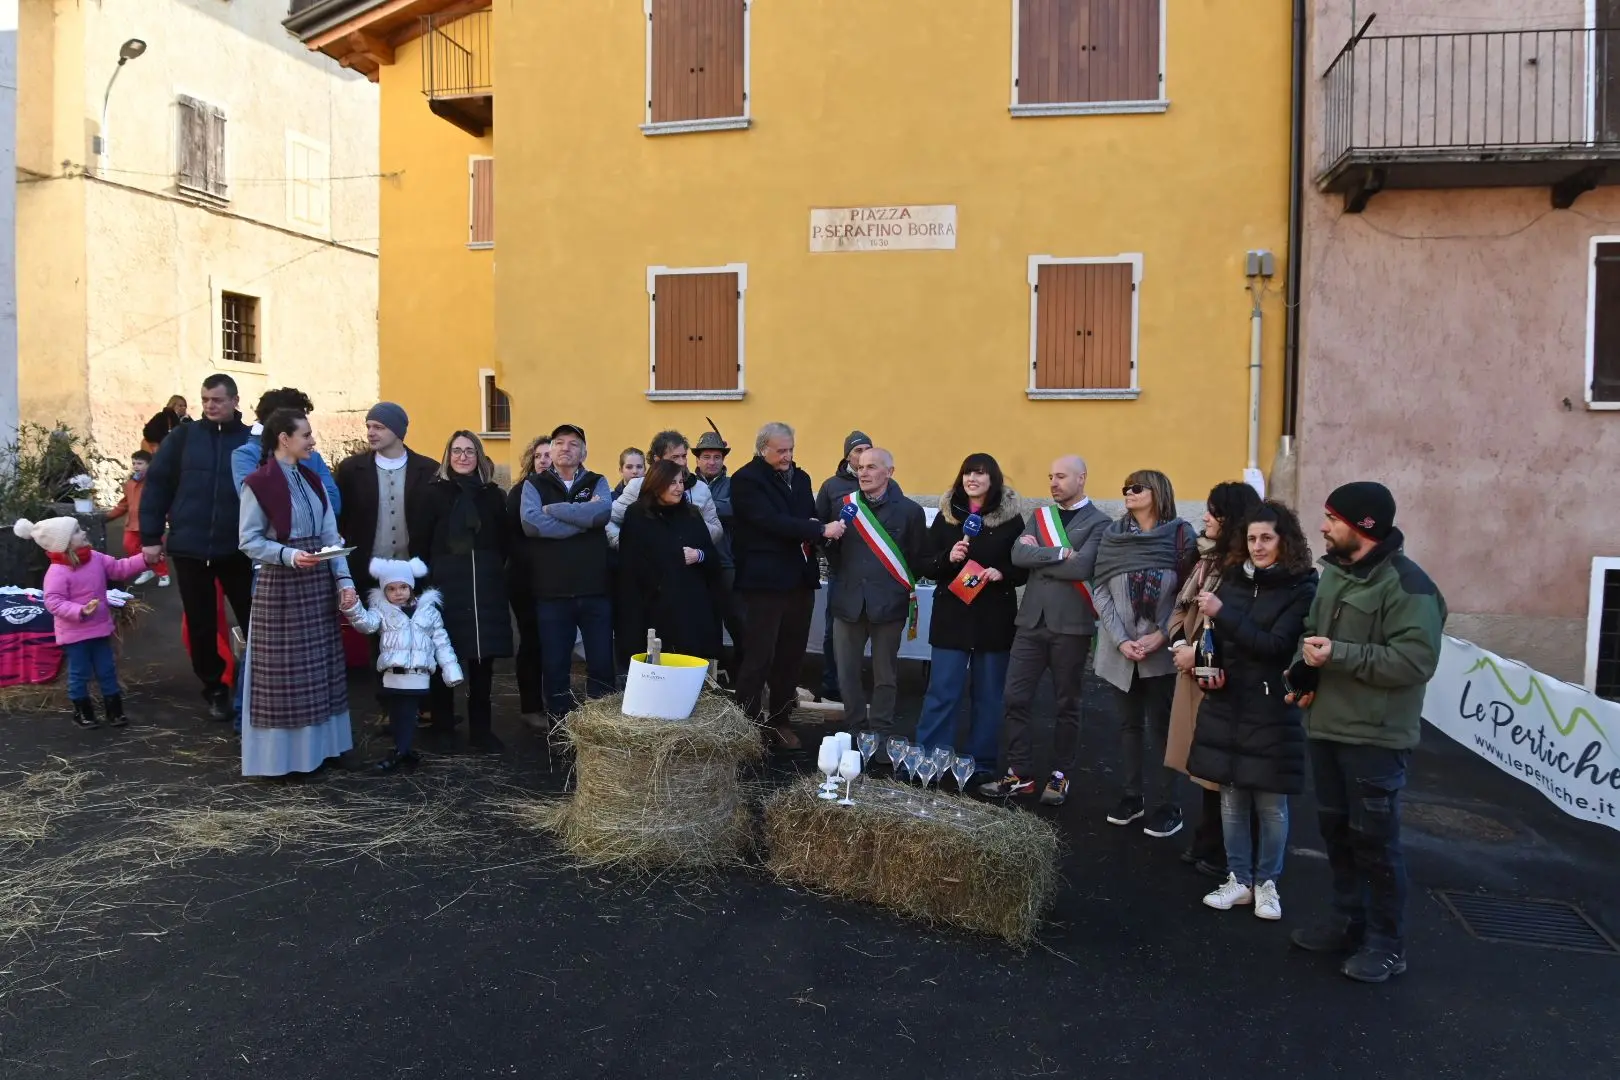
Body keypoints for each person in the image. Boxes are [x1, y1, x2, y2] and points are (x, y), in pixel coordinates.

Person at [1284, 482, 1445, 984]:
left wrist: (1340, 655)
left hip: (1375, 740)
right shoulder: (1335, 574)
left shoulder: (1409, 586)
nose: (1323, 526)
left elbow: (1417, 661)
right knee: (1336, 833)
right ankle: (1347, 920)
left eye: (1332, 518)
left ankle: (1386, 943)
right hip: (1327, 728)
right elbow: (1312, 633)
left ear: (1363, 527)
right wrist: (1300, 673)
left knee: (1375, 842)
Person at [1188, 501, 1317, 922]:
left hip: (1270, 705)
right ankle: (1238, 880)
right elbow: (1217, 641)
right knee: (1230, 797)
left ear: (1285, 542)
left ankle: (1267, 884)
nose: (1258, 547)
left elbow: (1275, 646)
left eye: (1266, 538)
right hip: (1228, 702)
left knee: (1270, 803)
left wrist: (1223, 614)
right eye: (1251, 539)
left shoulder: (1301, 587)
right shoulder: (1232, 578)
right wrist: (1213, 669)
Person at [981, 456, 1109, 803]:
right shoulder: (1039, 516)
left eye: (1061, 476)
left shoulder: (1101, 523)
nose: (1053, 482)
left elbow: (1083, 566)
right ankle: (1020, 773)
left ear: (1082, 478)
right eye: (1050, 476)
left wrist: (1044, 556)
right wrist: (1060, 554)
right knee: (1015, 698)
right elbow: (1018, 556)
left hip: (1071, 625)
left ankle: (1060, 774)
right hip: (1030, 623)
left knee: (1066, 704)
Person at [237, 410, 358, 778]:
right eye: (305, 434)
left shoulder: (312, 480)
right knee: (285, 677)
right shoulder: (258, 484)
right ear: (284, 439)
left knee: (321, 670)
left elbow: (329, 537)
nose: (312, 440)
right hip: (282, 589)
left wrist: (345, 581)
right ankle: (285, 760)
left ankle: (323, 750)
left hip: (316, 584)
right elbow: (249, 541)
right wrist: (288, 555)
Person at [138, 374, 254, 722]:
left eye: (217, 400)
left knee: (255, 619)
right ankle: (215, 688)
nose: (209, 406)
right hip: (191, 547)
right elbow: (157, 485)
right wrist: (150, 537)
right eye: (204, 400)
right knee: (202, 625)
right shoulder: (183, 437)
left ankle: (258, 685)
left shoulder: (252, 441)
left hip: (240, 549)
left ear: (234, 400)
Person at [1166, 482, 1264, 877]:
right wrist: (1177, 641)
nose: (1204, 517)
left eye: (1213, 512)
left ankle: (1226, 848)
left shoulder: (1244, 571)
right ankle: (1209, 837)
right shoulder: (1207, 560)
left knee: (1224, 765)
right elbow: (1181, 607)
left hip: (1218, 673)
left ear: (1231, 518)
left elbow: (1241, 627)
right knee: (1205, 759)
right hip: (1195, 669)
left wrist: (1199, 656)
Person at [1093, 469, 1197, 838]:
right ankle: (1132, 796)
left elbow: (1188, 592)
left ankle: (1170, 804)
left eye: (1136, 488)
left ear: (1157, 492)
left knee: (1165, 728)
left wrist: (1160, 635)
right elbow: (1100, 588)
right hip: (1120, 649)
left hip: (1162, 647)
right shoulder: (1113, 535)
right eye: (1125, 488)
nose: (1128, 493)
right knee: (1128, 725)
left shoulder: (1181, 536)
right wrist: (1121, 639)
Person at [731, 422, 844, 750]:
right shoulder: (746, 480)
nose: (788, 456)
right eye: (781, 450)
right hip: (763, 582)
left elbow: (805, 517)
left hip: (798, 579)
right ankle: (748, 726)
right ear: (762, 448)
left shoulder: (802, 477)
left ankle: (779, 720)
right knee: (758, 656)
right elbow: (768, 522)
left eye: (791, 449)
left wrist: (811, 527)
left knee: (791, 656)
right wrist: (818, 529)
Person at [912, 453, 1025, 772]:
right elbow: (924, 563)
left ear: (994, 479)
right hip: (953, 616)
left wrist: (1002, 572)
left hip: (993, 618)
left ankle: (981, 762)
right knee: (942, 691)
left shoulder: (1011, 519)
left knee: (989, 696)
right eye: (967, 473)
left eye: (980, 473)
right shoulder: (948, 516)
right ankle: (930, 758)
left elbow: (1023, 567)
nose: (971, 479)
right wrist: (948, 557)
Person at [335, 402, 441, 724]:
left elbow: (435, 520)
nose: (371, 432)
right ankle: (387, 706)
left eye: (378, 427)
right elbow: (342, 517)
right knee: (378, 638)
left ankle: (423, 704)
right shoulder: (352, 469)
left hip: (414, 567)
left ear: (398, 430)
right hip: (370, 567)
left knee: (420, 634)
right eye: (369, 426)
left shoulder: (428, 469)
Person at [410, 431, 513, 752]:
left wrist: (493, 568)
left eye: (470, 451)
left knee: (482, 660)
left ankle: (481, 730)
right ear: (447, 455)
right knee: (444, 654)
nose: (463, 456)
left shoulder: (493, 495)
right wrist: (422, 585)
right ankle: (442, 723)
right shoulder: (432, 494)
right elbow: (420, 541)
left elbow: (504, 540)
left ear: (479, 456)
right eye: (457, 450)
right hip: (444, 583)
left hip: (484, 583)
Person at [826, 447, 927, 740]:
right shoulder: (844, 505)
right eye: (860, 467)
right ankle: (855, 727)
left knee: (885, 676)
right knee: (846, 673)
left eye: (871, 467)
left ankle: (880, 731)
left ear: (889, 472)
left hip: (889, 605)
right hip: (848, 602)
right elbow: (830, 551)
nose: (863, 472)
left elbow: (916, 556)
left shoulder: (910, 511)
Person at [518, 423, 614, 722]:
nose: (565, 448)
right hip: (552, 592)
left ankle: (600, 725)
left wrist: (554, 510)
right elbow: (532, 524)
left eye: (573, 443)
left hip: (594, 589)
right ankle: (559, 725)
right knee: (556, 665)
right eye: (559, 442)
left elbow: (600, 515)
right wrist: (580, 516)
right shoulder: (534, 484)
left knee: (600, 663)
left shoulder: (597, 481)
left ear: (583, 451)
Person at [18, 515, 148, 728]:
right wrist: (80, 610)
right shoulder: (57, 572)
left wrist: (144, 559)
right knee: (79, 673)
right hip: (75, 634)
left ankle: (114, 711)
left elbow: (118, 568)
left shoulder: (95, 558)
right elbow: (53, 602)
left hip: (99, 629)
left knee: (107, 669)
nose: (84, 532)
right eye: (77, 531)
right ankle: (82, 712)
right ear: (65, 543)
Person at [343, 557, 464, 773]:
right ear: (384, 591)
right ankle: (403, 750)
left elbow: (442, 642)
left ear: (411, 587)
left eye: (403, 587)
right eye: (391, 589)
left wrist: (451, 670)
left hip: (417, 673)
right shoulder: (382, 612)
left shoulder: (429, 612)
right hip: (392, 674)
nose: (398, 593)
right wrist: (353, 608)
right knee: (397, 712)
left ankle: (400, 750)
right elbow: (366, 625)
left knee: (408, 712)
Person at [616, 459, 724, 659]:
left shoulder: (691, 514)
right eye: (672, 483)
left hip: (690, 609)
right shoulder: (638, 515)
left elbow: (712, 557)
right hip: (652, 609)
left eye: (681, 482)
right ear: (657, 483)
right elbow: (630, 566)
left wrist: (698, 555)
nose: (679, 488)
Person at [813, 430, 871, 702]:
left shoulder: (882, 482)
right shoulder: (831, 486)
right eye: (857, 450)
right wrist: (831, 554)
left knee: (868, 631)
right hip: (842, 571)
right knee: (833, 631)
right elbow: (818, 524)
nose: (862, 456)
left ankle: (855, 684)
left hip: (873, 573)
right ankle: (831, 685)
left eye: (867, 450)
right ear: (847, 455)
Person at [607, 430, 724, 548]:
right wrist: (623, 544)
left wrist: (692, 523)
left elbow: (717, 531)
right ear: (657, 459)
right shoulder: (637, 487)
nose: (682, 462)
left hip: (690, 562)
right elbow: (609, 519)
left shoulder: (700, 488)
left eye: (684, 456)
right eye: (674, 457)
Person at [694, 427, 746, 680]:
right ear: (697, 459)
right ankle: (711, 675)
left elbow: (734, 509)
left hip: (726, 563)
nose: (711, 462)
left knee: (737, 620)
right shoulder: (685, 483)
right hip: (694, 564)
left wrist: (697, 507)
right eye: (706, 457)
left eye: (716, 457)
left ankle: (741, 675)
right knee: (704, 622)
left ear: (723, 459)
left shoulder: (735, 485)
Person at [506, 435, 550, 729]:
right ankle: (530, 706)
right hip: (526, 580)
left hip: (557, 579)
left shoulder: (564, 490)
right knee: (532, 641)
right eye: (539, 456)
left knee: (554, 644)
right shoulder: (520, 492)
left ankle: (553, 701)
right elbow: (514, 537)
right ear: (531, 461)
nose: (545, 460)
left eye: (549, 455)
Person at [105, 449, 166, 587]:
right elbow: (124, 503)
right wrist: (109, 516)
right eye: (134, 463)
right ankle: (147, 568)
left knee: (153, 548)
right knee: (129, 546)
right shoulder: (130, 483)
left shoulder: (156, 482)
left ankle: (162, 572)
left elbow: (165, 502)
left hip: (150, 522)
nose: (136, 466)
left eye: (140, 463)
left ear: (150, 464)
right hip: (132, 523)